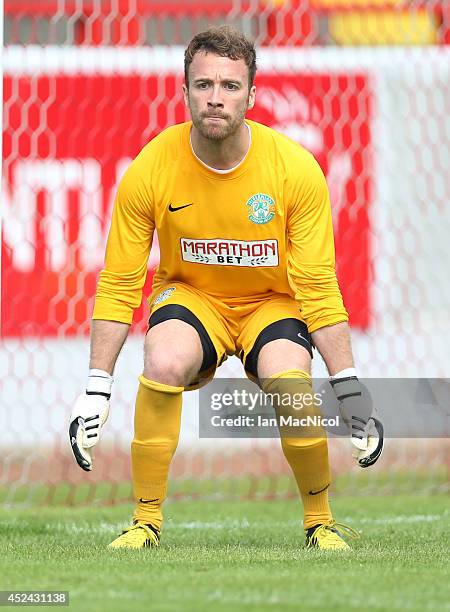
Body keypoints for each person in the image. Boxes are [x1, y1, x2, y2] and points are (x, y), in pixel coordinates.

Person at [69, 25, 383, 551]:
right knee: (164, 358)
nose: (216, 98)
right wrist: (97, 385)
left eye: (231, 86)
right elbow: (121, 281)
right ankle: (145, 522)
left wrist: (348, 382)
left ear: (252, 95)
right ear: (185, 90)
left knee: (290, 376)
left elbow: (317, 284)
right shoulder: (150, 168)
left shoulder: (295, 170)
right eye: (204, 84)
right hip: (192, 298)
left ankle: (320, 522)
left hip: (270, 303)